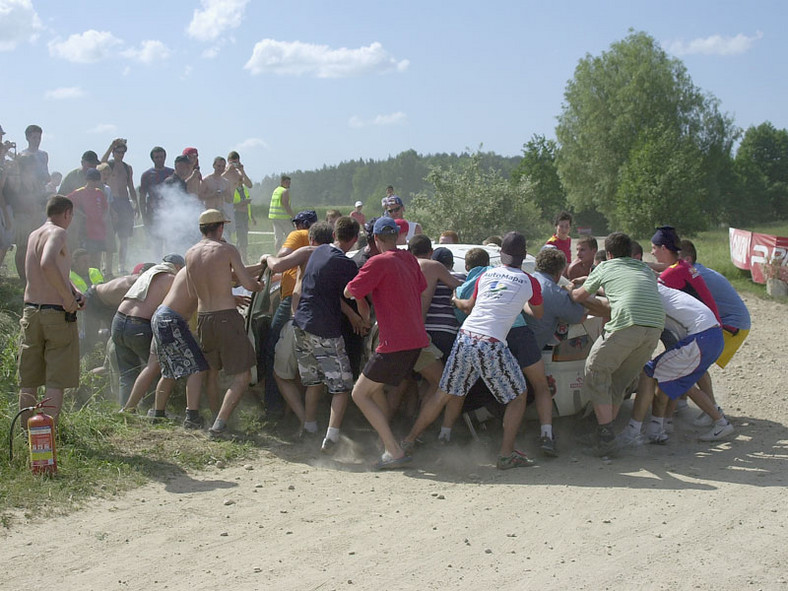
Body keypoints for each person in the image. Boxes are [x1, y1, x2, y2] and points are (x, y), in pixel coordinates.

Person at [402, 231, 545, 469]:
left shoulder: (487, 275)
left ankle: (408, 440)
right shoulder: (530, 281)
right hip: (491, 344)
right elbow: (538, 314)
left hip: (465, 338)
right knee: (518, 396)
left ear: (501, 255)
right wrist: (522, 305)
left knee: (444, 393)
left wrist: (456, 298)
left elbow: (467, 306)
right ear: (523, 255)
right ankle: (506, 454)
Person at [344, 217, 429, 469]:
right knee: (374, 390)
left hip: (393, 342)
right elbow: (421, 286)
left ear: (376, 239)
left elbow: (350, 291)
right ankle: (389, 443)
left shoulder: (377, 262)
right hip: (416, 340)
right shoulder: (410, 259)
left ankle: (394, 451)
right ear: (398, 236)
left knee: (359, 393)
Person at [571, 232, 665, 456]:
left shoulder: (605, 266)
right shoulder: (644, 269)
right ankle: (606, 434)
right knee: (618, 380)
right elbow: (622, 287)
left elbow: (580, 297)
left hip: (628, 324)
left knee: (594, 368)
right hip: (654, 328)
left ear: (609, 254)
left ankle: (605, 434)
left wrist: (571, 289)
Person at [620, 284, 734, 446]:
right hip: (712, 336)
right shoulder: (658, 288)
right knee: (671, 376)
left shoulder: (644, 291)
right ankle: (658, 427)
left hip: (701, 338)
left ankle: (634, 432)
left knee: (649, 372)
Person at [186, 209, 264, 437]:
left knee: (212, 372)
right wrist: (258, 286)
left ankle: (215, 417)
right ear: (220, 227)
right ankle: (220, 424)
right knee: (242, 376)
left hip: (204, 319)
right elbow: (248, 284)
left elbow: (193, 291)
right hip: (226, 318)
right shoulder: (226, 249)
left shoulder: (190, 253)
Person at [289, 217, 361, 452]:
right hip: (324, 329)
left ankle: (308, 428)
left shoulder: (318, 252)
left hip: (301, 324)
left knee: (313, 381)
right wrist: (360, 317)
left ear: (333, 235)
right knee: (341, 385)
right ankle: (332, 437)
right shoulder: (346, 264)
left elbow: (327, 292)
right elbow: (354, 294)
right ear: (354, 239)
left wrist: (350, 315)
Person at [18, 196, 81, 424]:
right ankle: (47, 437)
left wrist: (72, 290)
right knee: (56, 379)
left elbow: (42, 270)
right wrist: (67, 299)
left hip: (31, 311)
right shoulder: (58, 232)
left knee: (29, 378)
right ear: (67, 213)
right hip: (56, 314)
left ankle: (26, 435)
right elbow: (47, 263)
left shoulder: (34, 234)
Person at [679, 239, 751, 425]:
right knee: (691, 356)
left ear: (687, 259)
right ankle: (682, 400)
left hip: (732, 325)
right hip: (731, 322)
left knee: (696, 361)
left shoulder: (695, 275)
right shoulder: (696, 271)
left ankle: (711, 410)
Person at [262, 210, 318, 417]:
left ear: (302, 225)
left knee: (272, 349)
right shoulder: (326, 247)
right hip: (315, 303)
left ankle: (273, 407)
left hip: (292, 301)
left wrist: (268, 257)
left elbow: (282, 258)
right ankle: (300, 410)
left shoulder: (298, 236)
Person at [112, 254, 184, 406]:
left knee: (127, 374)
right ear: (178, 267)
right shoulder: (172, 278)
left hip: (118, 321)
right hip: (139, 324)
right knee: (155, 369)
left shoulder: (148, 273)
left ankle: (125, 411)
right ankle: (149, 409)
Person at [144, 267, 210, 429]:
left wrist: (261, 265)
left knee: (169, 371)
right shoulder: (199, 270)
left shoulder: (192, 267)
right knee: (197, 368)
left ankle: (158, 414)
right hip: (171, 320)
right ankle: (192, 417)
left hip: (162, 318)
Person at [651, 226, 720, 322]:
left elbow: (652, 294)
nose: (652, 253)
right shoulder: (683, 266)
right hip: (713, 323)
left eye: (654, 248)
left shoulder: (673, 272)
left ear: (663, 248)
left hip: (705, 327)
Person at [14, 125, 50, 281]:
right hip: (24, 200)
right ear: (28, 137)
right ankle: (23, 276)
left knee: (38, 240)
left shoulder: (43, 155)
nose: (37, 140)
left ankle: (35, 273)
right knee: (23, 242)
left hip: (40, 198)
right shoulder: (22, 155)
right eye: (34, 137)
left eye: (39, 137)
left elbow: (47, 176)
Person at [101, 139, 138, 275]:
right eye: (118, 152)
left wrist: (136, 204)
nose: (121, 154)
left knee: (124, 237)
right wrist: (111, 146)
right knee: (109, 235)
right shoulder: (108, 165)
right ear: (114, 152)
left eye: (123, 152)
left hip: (124, 202)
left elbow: (131, 186)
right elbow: (100, 163)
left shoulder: (127, 168)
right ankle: (106, 265)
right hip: (112, 201)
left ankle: (121, 266)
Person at [68, 168, 108, 270]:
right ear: (88, 180)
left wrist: (102, 219)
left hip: (99, 230)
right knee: (87, 255)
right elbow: (67, 202)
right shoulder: (79, 192)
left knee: (98, 255)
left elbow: (105, 208)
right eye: (93, 180)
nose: (95, 183)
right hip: (86, 229)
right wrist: (80, 214)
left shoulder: (99, 193)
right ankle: (86, 276)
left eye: (97, 180)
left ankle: (98, 277)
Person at [139, 146, 174, 257]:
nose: (159, 159)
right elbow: (142, 196)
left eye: (161, 157)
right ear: (153, 159)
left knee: (170, 239)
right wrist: (144, 215)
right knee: (156, 240)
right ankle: (157, 262)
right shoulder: (147, 175)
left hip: (169, 212)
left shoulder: (172, 173)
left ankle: (171, 261)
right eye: (157, 157)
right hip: (153, 212)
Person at [269, 175, 294, 250]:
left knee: (278, 238)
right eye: (287, 182)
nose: (288, 184)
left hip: (274, 217)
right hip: (283, 218)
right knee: (291, 237)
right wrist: (293, 217)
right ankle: (290, 253)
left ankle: (278, 254)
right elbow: (285, 204)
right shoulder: (285, 191)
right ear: (282, 182)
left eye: (289, 182)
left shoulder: (276, 190)